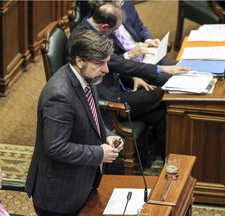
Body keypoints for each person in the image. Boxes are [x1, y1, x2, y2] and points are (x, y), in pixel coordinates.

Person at [66, 2, 190, 161]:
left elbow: (117, 66)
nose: (115, 33)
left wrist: (133, 77)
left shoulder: (91, 24)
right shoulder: (88, 40)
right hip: (107, 102)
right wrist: (163, 70)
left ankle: (164, 157)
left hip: (117, 87)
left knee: (160, 113)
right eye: (115, 30)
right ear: (104, 27)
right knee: (163, 94)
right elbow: (119, 64)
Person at [25, 30, 124, 216]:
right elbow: (55, 147)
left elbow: (90, 119)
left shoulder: (86, 78)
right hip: (59, 197)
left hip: (81, 183)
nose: (106, 69)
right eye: (99, 63)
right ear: (80, 60)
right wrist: (99, 152)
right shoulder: (60, 95)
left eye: (107, 62)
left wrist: (108, 136)